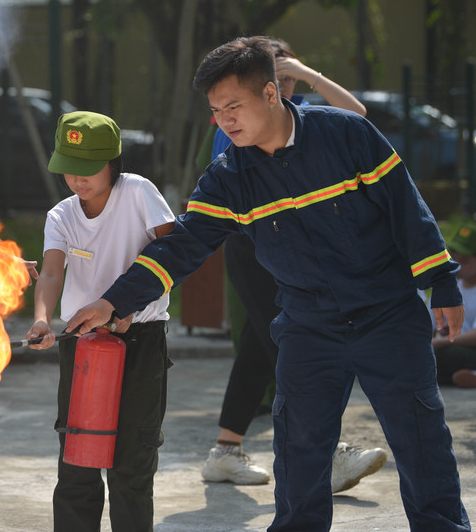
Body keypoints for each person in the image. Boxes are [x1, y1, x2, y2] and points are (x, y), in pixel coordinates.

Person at [66, 37, 470, 531]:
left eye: (234, 105)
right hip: (307, 325)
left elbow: (408, 210)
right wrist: (113, 301)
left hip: (387, 314)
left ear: (273, 92)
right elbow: (182, 246)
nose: (225, 120)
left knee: (421, 441)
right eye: (216, 111)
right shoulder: (229, 177)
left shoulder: (347, 135)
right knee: (299, 454)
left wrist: (443, 284)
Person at [202, 37, 387, 494]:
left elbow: (358, 118)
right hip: (254, 243)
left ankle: (225, 451)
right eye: (273, 79)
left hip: (291, 245)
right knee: (293, 347)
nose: (279, 88)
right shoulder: (237, 118)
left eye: (284, 79)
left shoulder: (299, 113)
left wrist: (308, 74)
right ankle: (327, 452)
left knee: (258, 345)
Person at [25, 111, 175, 532]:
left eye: (88, 169)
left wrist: (128, 305)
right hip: (82, 344)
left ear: (113, 161)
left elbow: (175, 252)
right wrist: (41, 320)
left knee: (131, 465)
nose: (78, 179)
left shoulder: (139, 193)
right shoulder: (61, 215)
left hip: (140, 341)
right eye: (69, 169)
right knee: (77, 463)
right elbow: (53, 273)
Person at [430, 220, 476, 389]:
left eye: (463, 260)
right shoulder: (451, 286)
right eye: (452, 258)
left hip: (462, 349)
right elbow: (431, 323)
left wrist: (442, 342)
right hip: (453, 347)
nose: (456, 265)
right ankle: (464, 376)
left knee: (446, 354)